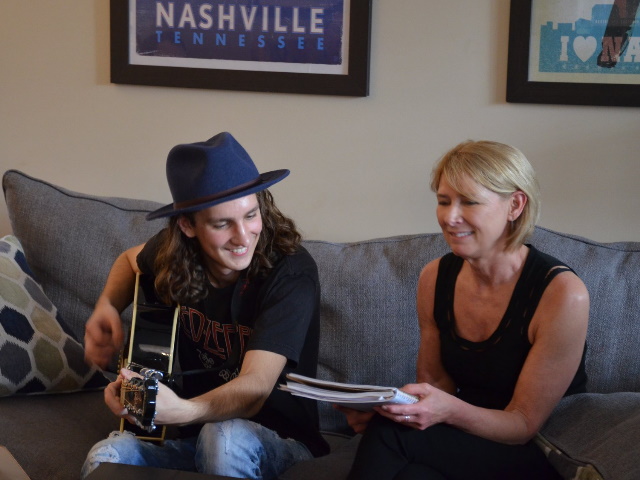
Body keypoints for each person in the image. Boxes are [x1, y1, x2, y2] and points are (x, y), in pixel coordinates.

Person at [82, 132, 329, 479]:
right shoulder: (174, 254)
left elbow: (255, 388)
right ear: (188, 225)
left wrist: (181, 411)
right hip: (197, 438)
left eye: (251, 215)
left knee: (224, 438)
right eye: (222, 223)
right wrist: (107, 306)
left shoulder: (291, 271)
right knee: (108, 455)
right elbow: (129, 261)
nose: (243, 237)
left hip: (282, 442)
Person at [339, 140, 589, 480]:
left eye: (469, 201)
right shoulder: (435, 277)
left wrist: (444, 411)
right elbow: (436, 385)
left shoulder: (562, 294)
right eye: (444, 201)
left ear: (515, 205)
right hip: (469, 435)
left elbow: (522, 424)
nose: (450, 217)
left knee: (390, 435)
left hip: (542, 447)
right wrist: (396, 410)